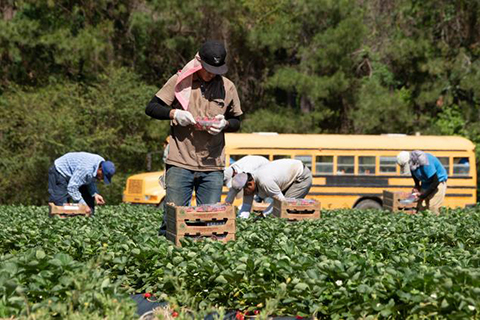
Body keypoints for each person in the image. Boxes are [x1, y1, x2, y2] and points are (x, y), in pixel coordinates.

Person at [145, 40, 243, 234]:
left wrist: (225, 124)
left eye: (216, 70)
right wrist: (175, 114)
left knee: (209, 223)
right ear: (199, 62)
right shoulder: (180, 81)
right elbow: (152, 108)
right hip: (180, 162)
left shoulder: (228, 87)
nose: (210, 74)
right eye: (207, 69)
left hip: (212, 166)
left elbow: (237, 121)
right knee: (172, 221)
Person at [226, 159, 312, 218]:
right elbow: (246, 207)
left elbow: (280, 202)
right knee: (280, 211)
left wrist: (263, 214)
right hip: (286, 180)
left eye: (244, 191)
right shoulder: (247, 183)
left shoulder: (265, 181)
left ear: (249, 184)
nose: (245, 194)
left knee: (286, 209)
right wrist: (241, 222)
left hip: (300, 176)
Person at [48, 152, 116, 215]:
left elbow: (90, 180)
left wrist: (95, 194)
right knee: (61, 205)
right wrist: (83, 205)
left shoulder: (101, 163)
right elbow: (72, 187)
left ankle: (87, 219)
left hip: (75, 175)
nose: (102, 179)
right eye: (103, 176)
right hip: (60, 171)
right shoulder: (86, 169)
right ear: (100, 169)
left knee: (88, 201)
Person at [397, 150, 448, 215]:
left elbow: (435, 182)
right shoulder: (412, 164)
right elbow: (415, 176)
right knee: (420, 208)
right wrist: (417, 186)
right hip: (426, 182)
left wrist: (423, 195)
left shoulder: (426, 163)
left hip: (438, 182)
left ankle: (435, 223)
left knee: (433, 207)